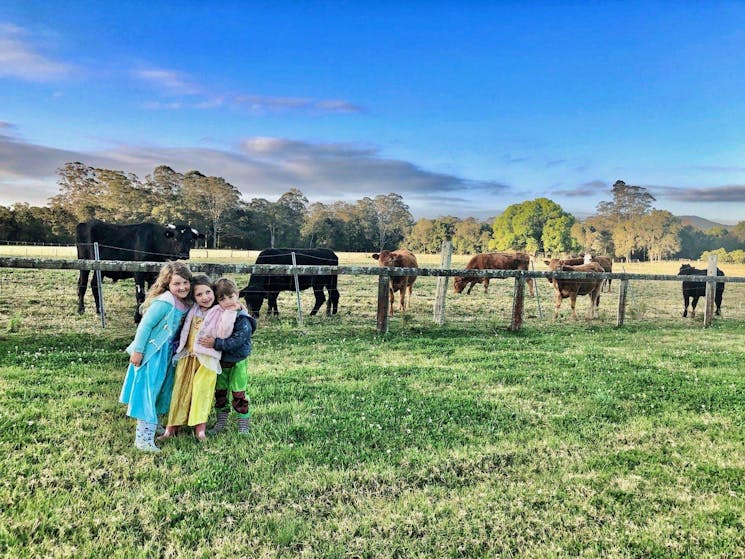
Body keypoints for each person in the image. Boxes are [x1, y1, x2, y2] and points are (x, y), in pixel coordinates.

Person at [119, 261, 193, 453]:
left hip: (167, 355)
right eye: (177, 283)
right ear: (167, 284)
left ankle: (153, 425)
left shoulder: (186, 304)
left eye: (185, 282)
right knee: (148, 391)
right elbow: (145, 326)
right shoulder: (164, 302)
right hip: (152, 354)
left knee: (161, 390)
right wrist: (138, 351)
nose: (182, 287)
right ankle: (143, 439)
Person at [160, 275, 237, 441]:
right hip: (187, 357)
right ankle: (172, 427)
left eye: (208, 292)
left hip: (207, 360)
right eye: (199, 294)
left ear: (214, 293)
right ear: (194, 297)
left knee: (202, 391)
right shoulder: (192, 309)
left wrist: (231, 311)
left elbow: (225, 332)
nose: (205, 297)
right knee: (180, 390)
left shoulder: (220, 312)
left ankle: (199, 428)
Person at [199, 278, 257, 435]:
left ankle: (243, 424)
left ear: (237, 294)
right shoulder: (218, 315)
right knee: (220, 391)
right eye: (222, 299)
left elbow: (238, 340)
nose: (228, 301)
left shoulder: (242, 318)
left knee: (239, 392)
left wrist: (216, 344)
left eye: (231, 296)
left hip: (238, 361)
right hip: (222, 361)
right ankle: (221, 422)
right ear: (217, 301)